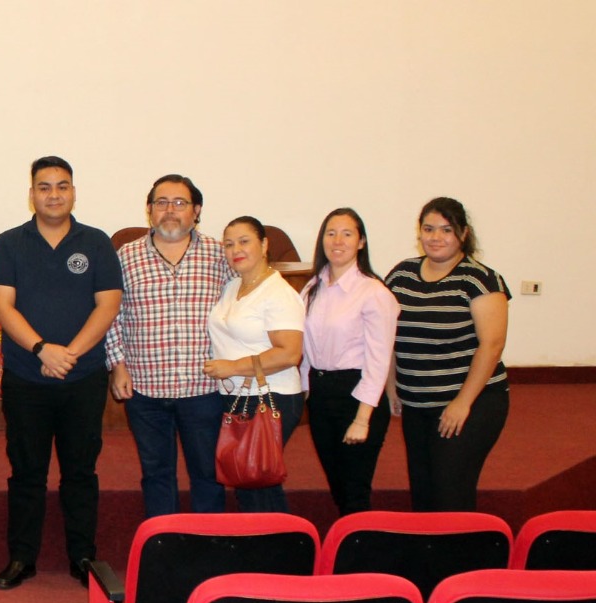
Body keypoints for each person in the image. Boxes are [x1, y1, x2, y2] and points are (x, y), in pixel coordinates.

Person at [0, 156, 122, 590]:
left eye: (62, 186)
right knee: (26, 471)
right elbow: (1, 304)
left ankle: (83, 556)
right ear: (32, 194)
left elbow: (108, 305)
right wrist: (43, 349)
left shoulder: (96, 242)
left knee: (81, 471)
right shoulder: (10, 243)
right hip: (27, 378)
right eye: (44, 187)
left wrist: (70, 355)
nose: (54, 194)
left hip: (83, 378)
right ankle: (22, 557)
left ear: (74, 193)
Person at [105, 174, 231, 517]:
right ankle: (164, 542)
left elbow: (241, 308)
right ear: (149, 209)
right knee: (156, 475)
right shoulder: (126, 257)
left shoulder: (220, 255)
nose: (170, 210)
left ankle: (209, 542)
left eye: (179, 203)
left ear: (196, 210)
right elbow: (111, 315)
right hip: (145, 388)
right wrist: (117, 365)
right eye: (161, 202)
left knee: (208, 474)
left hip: (205, 387)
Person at [385, 197, 510, 511]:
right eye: (429, 229)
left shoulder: (480, 279)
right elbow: (385, 335)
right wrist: (391, 387)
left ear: (463, 234)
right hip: (416, 403)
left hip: (472, 401)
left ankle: (464, 544)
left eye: (446, 230)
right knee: (423, 492)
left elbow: (492, 345)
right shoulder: (401, 275)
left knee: (450, 491)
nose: (436, 237)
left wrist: (462, 403)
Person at [201, 216, 305, 512]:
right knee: (246, 480)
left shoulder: (278, 293)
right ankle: (262, 538)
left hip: (271, 396)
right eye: (229, 244)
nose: (236, 250)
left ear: (264, 244)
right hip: (238, 395)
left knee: (259, 480)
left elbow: (289, 353)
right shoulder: (233, 286)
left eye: (244, 241)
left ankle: (283, 539)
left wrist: (233, 367)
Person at [299, 208, 398, 516]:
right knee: (338, 486)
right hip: (321, 393)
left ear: (361, 242)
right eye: (331, 233)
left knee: (355, 490)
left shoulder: (373, 292)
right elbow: (306, 347)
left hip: (357, 395)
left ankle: (360, 544)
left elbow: (379, 360)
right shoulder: (312, 288)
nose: (337, 241)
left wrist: (362, 418)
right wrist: (305, 391)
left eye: (347, 234)